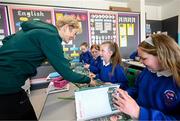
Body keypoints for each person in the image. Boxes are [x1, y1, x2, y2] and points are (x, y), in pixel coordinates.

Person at [0, 15, 95, 120]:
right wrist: (88, 80)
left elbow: (6, 40)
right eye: (75, 33)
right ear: (67, 27)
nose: (74, 37)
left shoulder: (42, 29)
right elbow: (66, 73)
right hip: (6, 85)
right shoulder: (51, 36)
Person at [111, 34, 180, 120]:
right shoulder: (147, 71)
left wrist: (139, 113)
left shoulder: (176, 81)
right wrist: (125, 95)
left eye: (144, 58)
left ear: (162, 56)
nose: (140, 62)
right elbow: (136, 89)